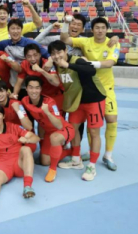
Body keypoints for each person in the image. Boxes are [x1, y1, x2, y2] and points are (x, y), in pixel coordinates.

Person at [60, 17, 120, 171]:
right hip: (88, 90)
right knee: (91, 126)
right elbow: (65, 39)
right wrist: (66, 22)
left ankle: (108, 154)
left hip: (106, 90)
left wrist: (87, 65)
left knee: (112, 120)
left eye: (103, 28)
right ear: (92, 30)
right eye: (97, 28)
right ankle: (89, 152)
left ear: (106, 29)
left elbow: (110, 63)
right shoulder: (86, 42)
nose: (100, 30)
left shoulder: (113, 42)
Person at [49, 40, 106, 181]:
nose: (57, 56)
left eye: (59, 52)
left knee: (94, 132)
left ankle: (92, 165)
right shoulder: (57, 66)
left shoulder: (77, 60)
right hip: (77, 102)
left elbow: (91, 70)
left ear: (66, 51)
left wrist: (68, 65)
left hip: (94, 100)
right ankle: (76, 159)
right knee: (73, 129)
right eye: (53, 54)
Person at [0, 104, 40, 209]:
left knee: (26, 149)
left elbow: (36, 138)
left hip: (19, 163)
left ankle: (27, 187)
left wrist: (27, 140)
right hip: (4, 164)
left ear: (3, 116)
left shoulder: (13, 127)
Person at [21, 76, 75, 183]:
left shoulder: (50, 102)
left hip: (64, 129)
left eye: (37, 88)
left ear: (41, 89)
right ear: (26, 89)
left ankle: (53, 170)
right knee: (45, 161)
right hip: (47, 133)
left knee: (54, 137)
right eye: (31, 87)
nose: (34, 91)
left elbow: (59, 125)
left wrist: (47, 112)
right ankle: (68, 152)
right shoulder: (25, 101)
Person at [12, 44, 63, 109]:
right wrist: (15, 95)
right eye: (29, 56)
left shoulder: (48, 64)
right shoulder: (25, 64)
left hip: (55, 95)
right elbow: (18, 83)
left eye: (35, 55)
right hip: (38, 97)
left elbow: (56, 83)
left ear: (40, 55)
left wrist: (41, 70)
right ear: (25, 57)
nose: (33, 59)